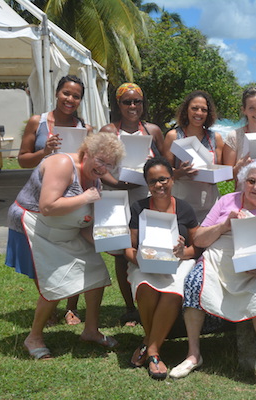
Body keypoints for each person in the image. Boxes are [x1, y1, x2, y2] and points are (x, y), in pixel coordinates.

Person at [6, 131, 126, 360]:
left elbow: (83, 225)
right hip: (36, 226)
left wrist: (107, 244)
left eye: (109, 165)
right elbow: (48, 206)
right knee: (55, 280)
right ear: (87, 153)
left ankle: (91, 330)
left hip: (65, 230)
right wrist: (86, 198)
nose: (103, 168)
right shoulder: (62, 164)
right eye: (100, 160)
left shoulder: (95, 179)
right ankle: (34, 337)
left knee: (96, 270)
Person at [170, 161, 256, 380]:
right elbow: (198, 238)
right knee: (193, 282)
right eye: (251, 181)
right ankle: (193, 353)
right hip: (218, 262)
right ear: (243, 182)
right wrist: (224, 226)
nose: (255, 186)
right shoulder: (227, 201)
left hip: (254, 268)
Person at [13, 75, 93, 325]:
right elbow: (22, 159)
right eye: (66, 93)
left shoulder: (85, 128)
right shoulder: (38, 122)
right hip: (41, 199)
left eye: (76, 96)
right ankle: (47, 305)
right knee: (44, 257)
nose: (70, 99)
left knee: (76, 252)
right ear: (57, 93)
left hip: (72, 201)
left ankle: (72, 307)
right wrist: (44, 151)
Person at [124, 157, 202, 379]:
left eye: (163, 179)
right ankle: (153, 346)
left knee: (172, 293)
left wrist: (181, 253)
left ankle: (151, 347)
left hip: (179, 264)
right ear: (147, 184)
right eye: (153, 181)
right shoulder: (138, 208)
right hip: (145, 263)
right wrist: (141, 260)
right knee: (146, 287)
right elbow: (128, 248)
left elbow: (196, 247)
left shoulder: (184, 208)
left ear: (172, 179)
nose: (159, 185)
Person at [99, 82, 165, 326]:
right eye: (127, 101)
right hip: (117, 198)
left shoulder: (153, 131)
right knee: (120, 254)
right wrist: (116, 183)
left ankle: (152, 300)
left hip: (145, 198)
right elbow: (98, 166)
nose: (133, 106)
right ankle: (129, 308)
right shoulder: (108, 130)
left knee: (148, 246)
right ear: (119, 104)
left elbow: (164, 163)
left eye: (137, 101)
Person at [163, 90, 226, 221]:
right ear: (186, 110)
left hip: (209, 203)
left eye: (203, 110)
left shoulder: (216, 138)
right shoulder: (173, 136)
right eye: (194, 108)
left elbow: (222, 170)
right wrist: (181, 172)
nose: (199, 113)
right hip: (181, 202)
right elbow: (165, 174)